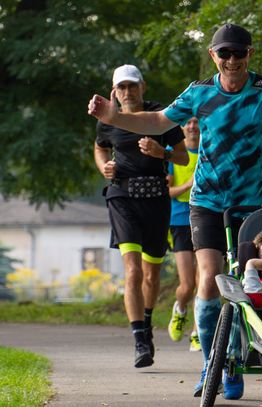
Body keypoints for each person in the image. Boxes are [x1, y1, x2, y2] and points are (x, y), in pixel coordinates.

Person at [88, 24, 262, 400]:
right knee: (208, 280)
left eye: (239, 53)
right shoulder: (199, 92)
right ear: (213, 56)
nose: (232, 61)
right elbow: (157, 122)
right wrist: (112, 117)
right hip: (205, 201)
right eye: (225, 54)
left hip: (249, 203)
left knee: (243, 285)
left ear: (249, 54)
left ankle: (237, 356)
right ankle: (213, 362)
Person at [93, 64, 188, 369]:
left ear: (142, 87)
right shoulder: (107, 117)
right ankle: (139, 341)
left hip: (156, 200)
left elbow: (183, 156)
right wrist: (104, 166)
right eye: (121, 87)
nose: (127, 92)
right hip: (122, 197)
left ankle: (146, 325)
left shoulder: (162, 117)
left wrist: (163, 153)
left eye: (132, 86)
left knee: (151, 274)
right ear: (114, 91)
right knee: (133, 271)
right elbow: (99, 148)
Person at [167, 117, 201, 352]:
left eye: (196, 122)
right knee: (187, 284)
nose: (192, 127)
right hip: (180, 220)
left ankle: (198, 332)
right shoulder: (171, 153)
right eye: (187, 123)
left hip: (207, 216)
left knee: (205, 280)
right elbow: (166, 191)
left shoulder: (210, 149)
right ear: (181, 127)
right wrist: (189, 184)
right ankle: (180, 309)